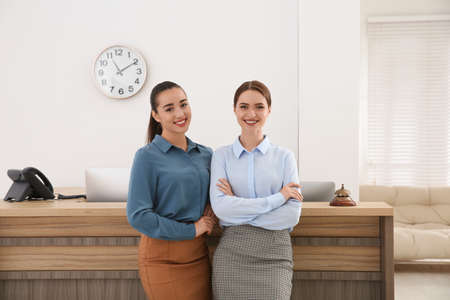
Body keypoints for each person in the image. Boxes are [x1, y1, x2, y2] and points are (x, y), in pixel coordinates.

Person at [210, 80, 303, 300]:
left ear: (269, 110)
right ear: (234, 110)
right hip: (232, 254)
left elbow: (292, 215)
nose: (251, 113)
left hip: (275, 254)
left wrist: (239, 208)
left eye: (259, 106)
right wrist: (278, 198)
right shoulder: (221, 156)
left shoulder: (284, 157)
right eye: (243, 106)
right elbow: (222, 210)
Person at [127, 81, 217, 300]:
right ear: (156, 116)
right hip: (162, 259)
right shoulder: (147, 156)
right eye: (169, 108)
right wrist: (191, 230)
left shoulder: (206, 154)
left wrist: (212, 212)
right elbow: (138, 215)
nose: (180, 113)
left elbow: (214, 197)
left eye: (183, 104)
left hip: (198, 256)